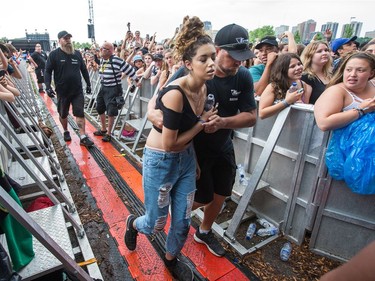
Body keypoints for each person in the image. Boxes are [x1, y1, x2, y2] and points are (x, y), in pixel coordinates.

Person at [148, 23, 257, 257]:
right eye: (233, 56)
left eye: (243, 57)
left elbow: (251, 117)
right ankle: (169, 218)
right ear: (218, 51)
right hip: (193, 149)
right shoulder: (190, 74)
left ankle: (204, 232)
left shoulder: (243, 76)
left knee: (221, 194)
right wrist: (153, 115)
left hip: (223, 145)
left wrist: (222, 123)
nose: (239, 62)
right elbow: (160, 102)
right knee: (200, 197)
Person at [124, 16, 217, 281]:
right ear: (188, 64)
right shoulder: (177, 93)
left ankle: (171, 258)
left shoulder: (205, 87)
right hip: (161, 160)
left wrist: (194, 159)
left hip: (186, 159)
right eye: (203, 59)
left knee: (184, 220)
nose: (211, 64)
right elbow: (170, 142)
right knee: (155, 223)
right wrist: (201, 124)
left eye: (213, 56)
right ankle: (132, 223)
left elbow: (186, 141)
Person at [314, 52, 375, 194]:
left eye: (360, 70)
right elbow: (323, 123)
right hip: (342, 160)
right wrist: (361, 110)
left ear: (371, 73)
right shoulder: (336, 91)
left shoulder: (372, 86)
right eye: (348, 69)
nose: (352, 74)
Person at [44, 30, 94, 147]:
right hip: (62, 91)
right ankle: (66, 130)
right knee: (63, 114)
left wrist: (88, 84)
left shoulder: (77, 54)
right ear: (59, 41)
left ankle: (83, 136)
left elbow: (84, 70)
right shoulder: (54, 55)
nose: (68, 40)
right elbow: (47, 71)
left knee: (80, 113)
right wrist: (47, 86)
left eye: (69, 38)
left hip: (77, 91)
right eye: (65, 38)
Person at [93, 41, 140, 142]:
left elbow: (129, 69)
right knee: (99, 107)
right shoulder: (102, 60)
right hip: (104, 87)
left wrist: (136, 80)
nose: (101, 50)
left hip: (114, 88)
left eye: (103, 48)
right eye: (101, 48)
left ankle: (109, 133)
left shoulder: (116, 60)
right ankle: (103, 129)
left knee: (111, 111)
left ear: (110, 51)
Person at [259, 53, 312, 119]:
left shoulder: (306, 87)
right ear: (283, 70)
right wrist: (286, 102)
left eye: (299, 64)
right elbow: (262, 113)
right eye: (292, 66)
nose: (298, 68)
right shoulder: (273, 87)